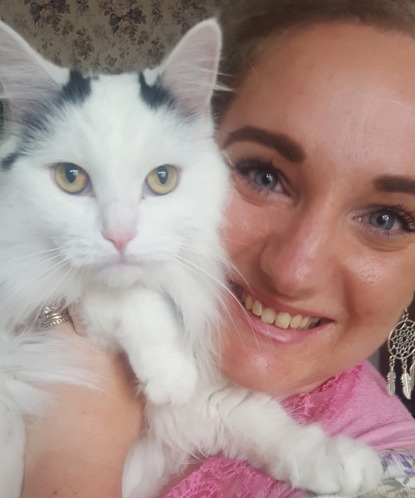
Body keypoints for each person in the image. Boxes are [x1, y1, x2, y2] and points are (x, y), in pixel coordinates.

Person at [22, 0, 415, 496]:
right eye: (263, 175)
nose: (294, 270)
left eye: (387, 218)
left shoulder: (391, 466)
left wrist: (73, 453)